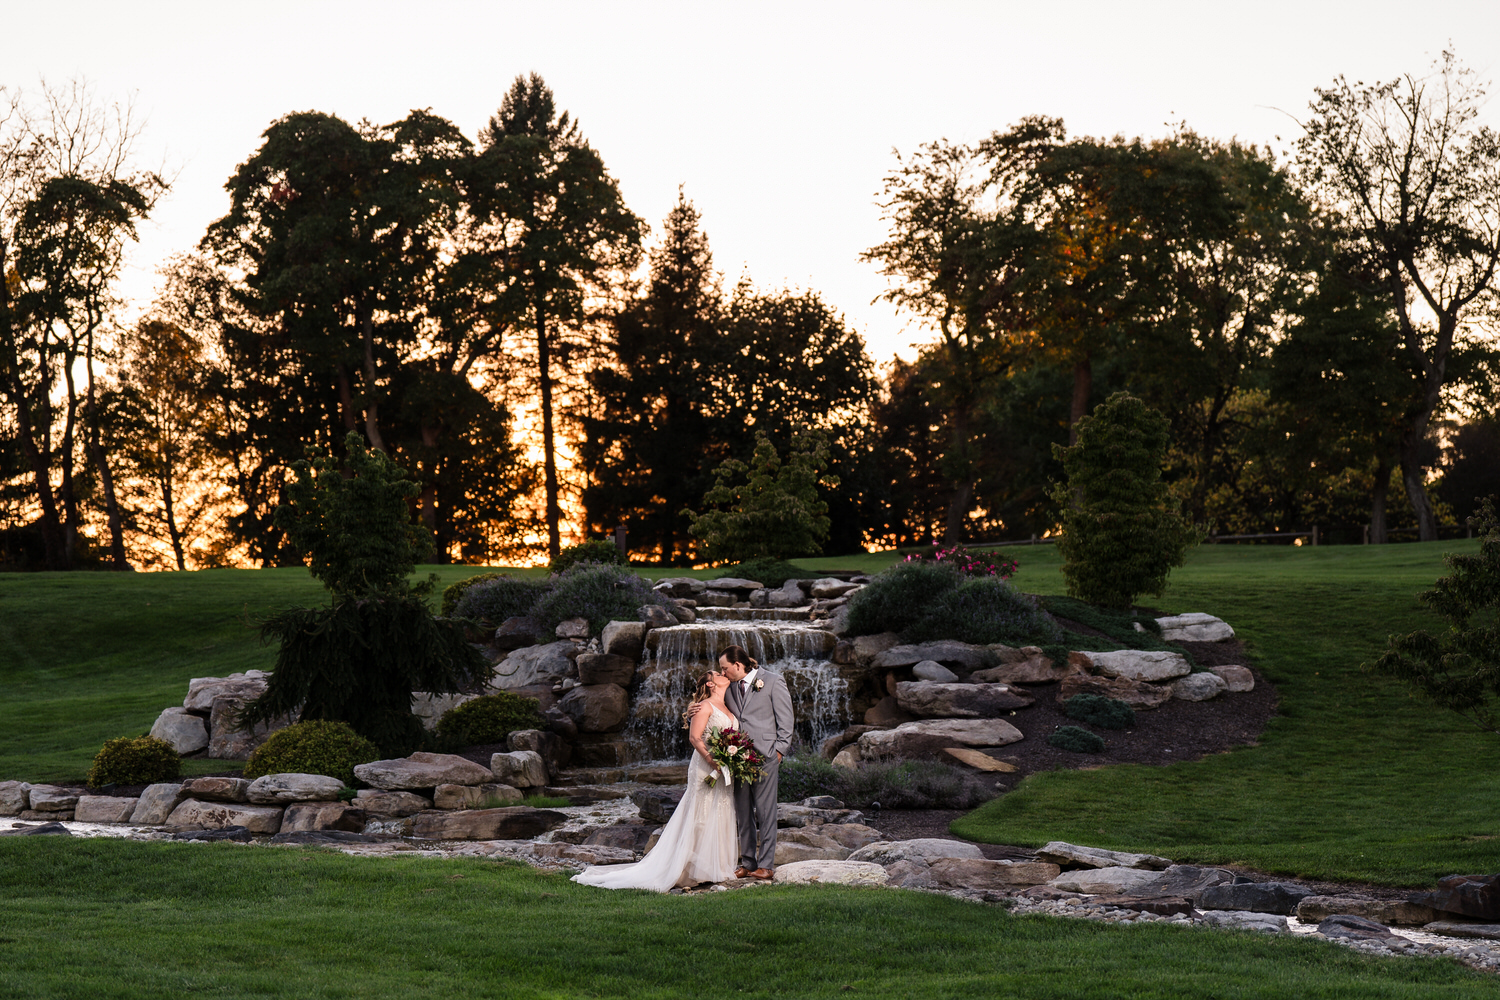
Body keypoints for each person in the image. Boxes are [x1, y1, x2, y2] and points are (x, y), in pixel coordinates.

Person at [571, 669, 738, 891]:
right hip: (705, 766)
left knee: (721, 810)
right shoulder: (705, 706)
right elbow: (694, 737)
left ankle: (715, 867)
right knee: (701, 813)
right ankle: (689, 869)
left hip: (725, 767)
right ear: (710, 684)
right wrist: (712, 759)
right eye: (717, 673)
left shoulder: (729, 705)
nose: (722, 674)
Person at [720, 645, 794, 880]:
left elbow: (786, 719)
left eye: (725, 668)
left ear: (738, 665)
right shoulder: (728, 687)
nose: (722, 673)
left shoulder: (772, 681)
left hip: (766, 757)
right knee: (743, 812)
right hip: (738, 757)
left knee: (765, 812)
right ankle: (748, 862)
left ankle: (767, 865)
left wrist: (779, 751)